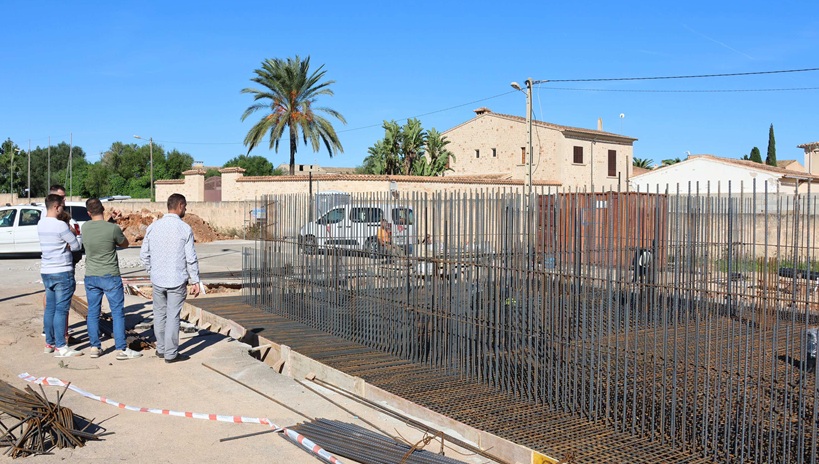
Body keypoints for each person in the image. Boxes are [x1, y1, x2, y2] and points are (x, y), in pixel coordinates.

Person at [140, 193, 201, 363]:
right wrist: (195, 280)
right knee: (173, 316)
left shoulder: (153, 227)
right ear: (180, 206)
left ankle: (161, 349)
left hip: (157, 280)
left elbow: (144, 255)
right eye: (185, 207)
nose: (185, 210)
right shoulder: (184, 228)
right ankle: (171, 353)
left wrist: (152, 270)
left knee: (159, 315)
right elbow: (190, 258)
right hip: (176, 280)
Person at [82, 198, 141, 360]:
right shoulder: (112, 229)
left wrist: (111, 221)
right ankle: (121, 349)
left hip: (91, 275)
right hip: (110, 275)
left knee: (93, 313)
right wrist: (116, 225)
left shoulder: (85, 227)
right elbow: (124, 244)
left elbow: (99, 231)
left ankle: (95, 347)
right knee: (117, 313)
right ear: (103, 209)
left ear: (88, 213)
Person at [38, 193, 83, 357]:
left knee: (50, 308)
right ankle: (61, 346)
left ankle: (49, 343)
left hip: (46, 270)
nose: (62, 210)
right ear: (56, 207)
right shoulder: (61, 226)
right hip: (62, 270)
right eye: (62, 207)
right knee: (61, 310)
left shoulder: (41, 223)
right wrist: (72, 233)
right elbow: (76, 246)